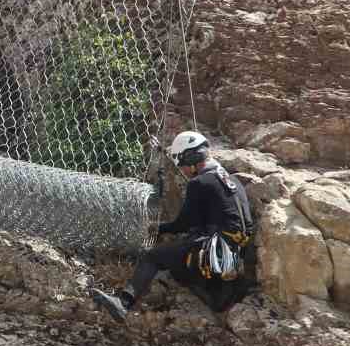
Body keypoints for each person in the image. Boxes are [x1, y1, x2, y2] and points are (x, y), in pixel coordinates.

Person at [90, 130, 256, 321]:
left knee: (154, 257)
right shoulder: (231, 180)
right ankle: (222, 296)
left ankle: (123, 302)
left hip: (215, 253)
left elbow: (183, 223)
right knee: (181, 256)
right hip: (235, 256)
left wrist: (157, 228)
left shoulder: (200, 183)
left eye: (183, 164)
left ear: (192, 159)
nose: (182, 170)